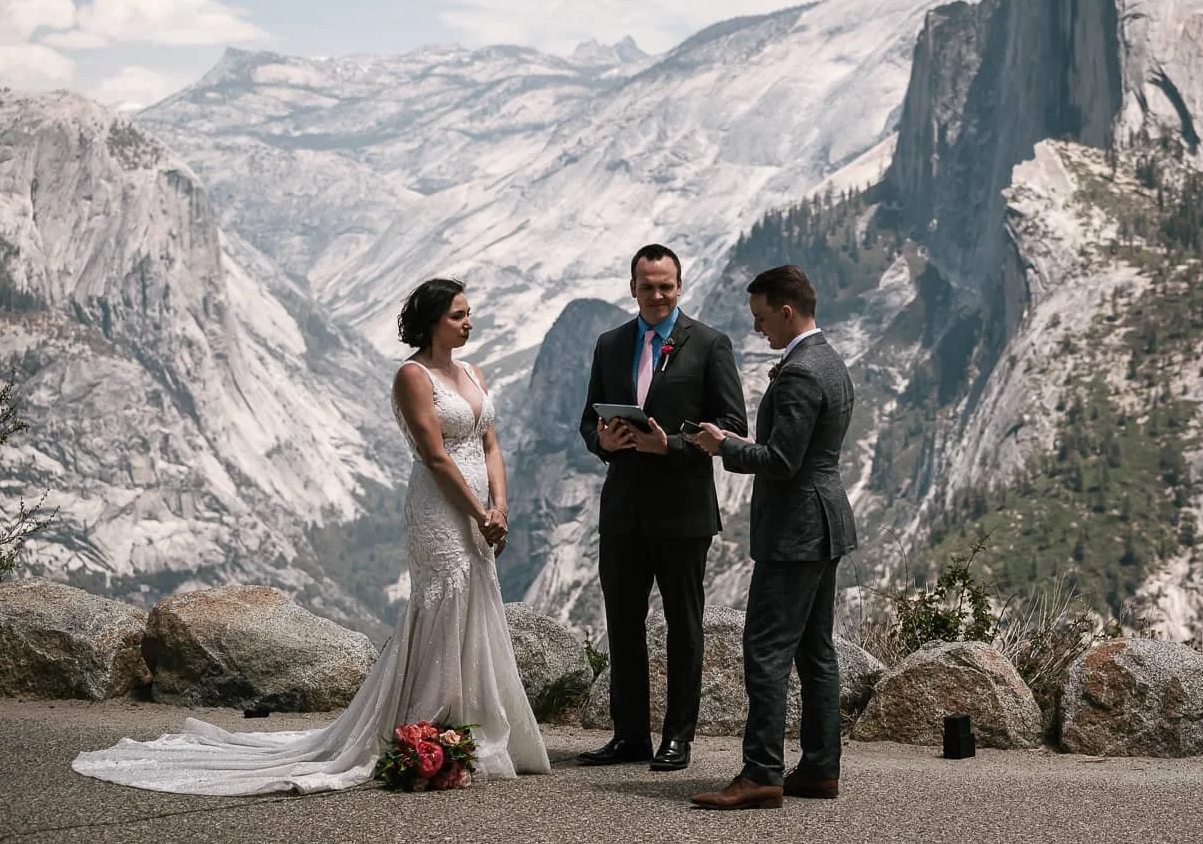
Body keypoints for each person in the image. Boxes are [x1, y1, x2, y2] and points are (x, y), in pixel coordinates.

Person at [72, 278, 551, 794]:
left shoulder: (473, 373)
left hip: (482, 509)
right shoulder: (412, 376)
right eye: (459, 315)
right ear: (435, 321)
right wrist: (481, 513)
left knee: (477, 602)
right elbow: (435, 455)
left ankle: (470, 725)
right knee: (441, 603)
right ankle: (426, 723)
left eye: (469, 313)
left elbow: (489, 445)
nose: (469, 322)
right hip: (441, 509)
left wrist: (500, 505)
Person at [687, 264, 857, 811]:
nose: (759, 329)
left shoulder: (802, 371)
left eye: (762, 319)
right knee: (815, 651)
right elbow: (800, 450)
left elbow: (782, 461)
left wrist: (724, 448)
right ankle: (819, 767)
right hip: (824, 523)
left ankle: (761, 772)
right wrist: (742, 439)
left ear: (787, 311)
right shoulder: (829, 360)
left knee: (765, 651)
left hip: (796, 529)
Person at [577, 244, 747, 772]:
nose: (656, 294)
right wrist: (603, 443)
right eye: (646, 285)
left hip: (682, 511)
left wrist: (669, 445)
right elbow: (587, 421)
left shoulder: (711, 345)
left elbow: (733, 428)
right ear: (632, 287)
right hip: (623, 511)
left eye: (665, 286)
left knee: (684, 625)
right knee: (623, 625)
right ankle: (630, 735)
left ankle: (678, 737)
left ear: (680, 287)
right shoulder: (610, 344)